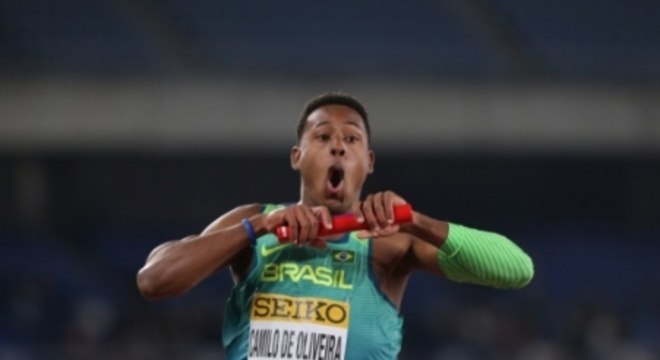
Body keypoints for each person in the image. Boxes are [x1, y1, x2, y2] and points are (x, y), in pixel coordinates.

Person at [136, 92, 534, 360]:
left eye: (352, 139)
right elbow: (154, 280)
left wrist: (417, 221)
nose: (338, 145)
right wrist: (257, 226)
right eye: (323, 135)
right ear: (297, 156)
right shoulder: (255, 223)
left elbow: (518, 270)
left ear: (370, 161)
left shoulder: (390, 241)